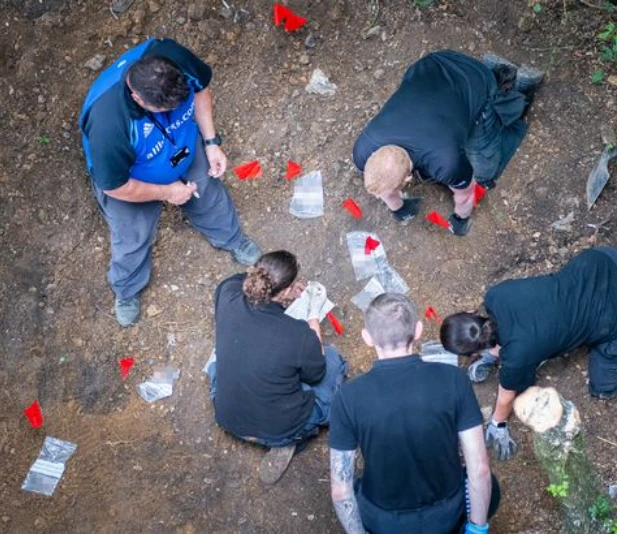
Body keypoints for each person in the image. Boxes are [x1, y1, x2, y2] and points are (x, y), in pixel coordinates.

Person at [440, 246, 617, 461]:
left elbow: (506, 396)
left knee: (605, 382)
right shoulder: (496, 295)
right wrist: (493, 354)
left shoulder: (517, 356)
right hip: (608, 265)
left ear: (474, 351)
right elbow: (523, 324)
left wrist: (498, 423)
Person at [79, 38, 262, 327]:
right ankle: (127, 289)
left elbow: (201, 91)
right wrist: (167, 192)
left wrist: (211, 143)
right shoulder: (109, 123)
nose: (173, 109)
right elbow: (115, 186)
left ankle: (232, 239)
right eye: (163, 109)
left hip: (182, 144)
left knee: (208, 189)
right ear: (138, 99)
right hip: (132, 176)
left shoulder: (173, 60)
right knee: (131, 234)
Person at [328, 293, 501, 534]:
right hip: (446, 515)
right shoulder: (454, 380)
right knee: (491, 487)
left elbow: (341, 490)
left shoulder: (347, 398)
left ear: (367, 338)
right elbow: (479, 468)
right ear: (418, 330)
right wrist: (477, 527)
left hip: (384, 521)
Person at [352, 50, 542, 236]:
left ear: (409, 178)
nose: (379, 198)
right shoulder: (362, 151)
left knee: (483, 173)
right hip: (432, 65)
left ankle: (519, 88)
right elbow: (383, 185)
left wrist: (460, 220)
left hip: (475, 80)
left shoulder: (445, 161)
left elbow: (466, 195)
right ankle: (494, 69)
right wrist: (399, 208)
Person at [210, 250, 348, 484]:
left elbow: (235, 280)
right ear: (285, 291)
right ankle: (290, 440)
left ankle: (271, 431)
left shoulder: (228, 293)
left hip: (227, 416)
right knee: (332, 361)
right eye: (293, 285)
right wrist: (313, 318)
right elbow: (316, 374)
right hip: (279, 426)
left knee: (219, 363)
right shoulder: (297, 334)